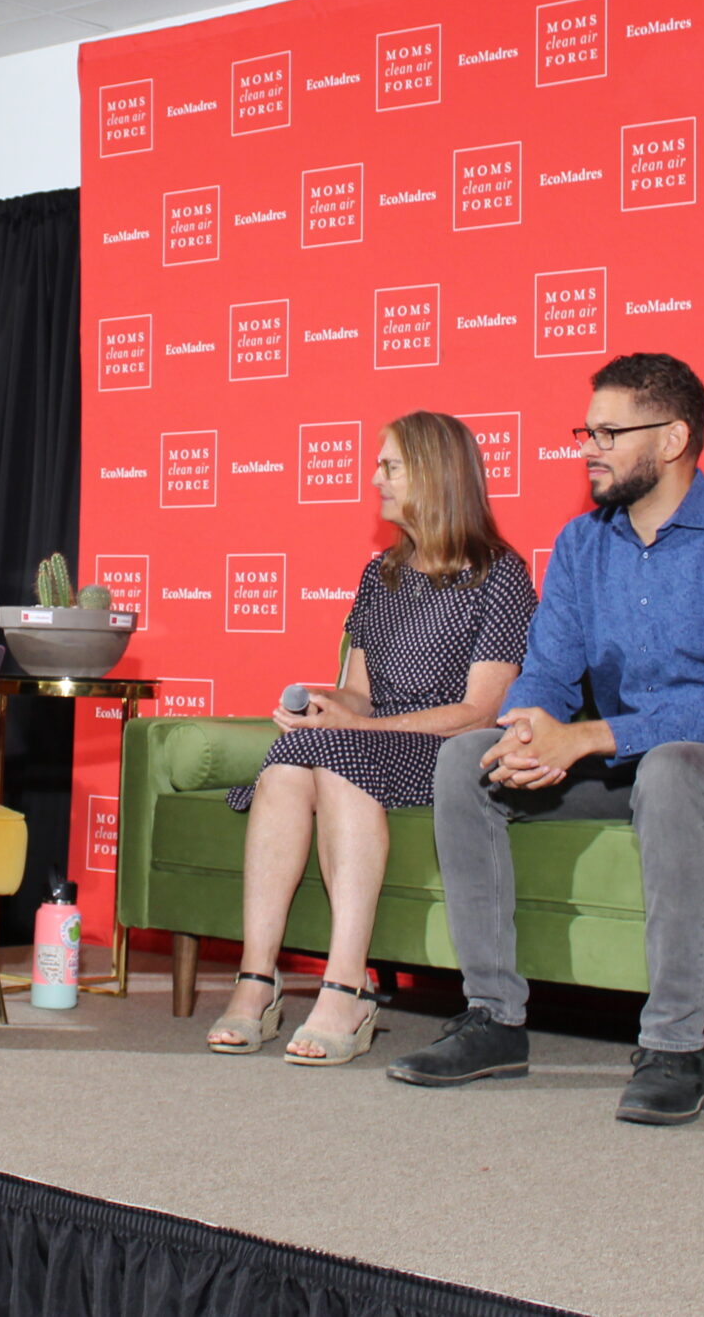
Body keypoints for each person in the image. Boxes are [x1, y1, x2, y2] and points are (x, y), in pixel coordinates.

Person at [390, 353, 704, 1125]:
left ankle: (676, 1046)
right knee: (465, 759)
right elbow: (548, 672)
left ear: (675, 437)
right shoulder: (583, 545)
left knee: (677, 767)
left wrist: (585, 735)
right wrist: (524, 728)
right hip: (626, 764)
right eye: (588, 429)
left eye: (611, 431)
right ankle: (493, 1018)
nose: (589, 446)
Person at [208, 412, 534, 1065]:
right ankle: (257, 976)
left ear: (435, 475)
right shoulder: (378, 573)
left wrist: (358, 725)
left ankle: (345, 983)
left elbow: (479, 710)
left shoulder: (500, 574)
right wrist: (327, 705)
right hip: (371, 742)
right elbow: (356, 689)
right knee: (293, 757)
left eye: (391, 467)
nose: (375, 478)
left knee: (326, 751)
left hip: (443, 750)